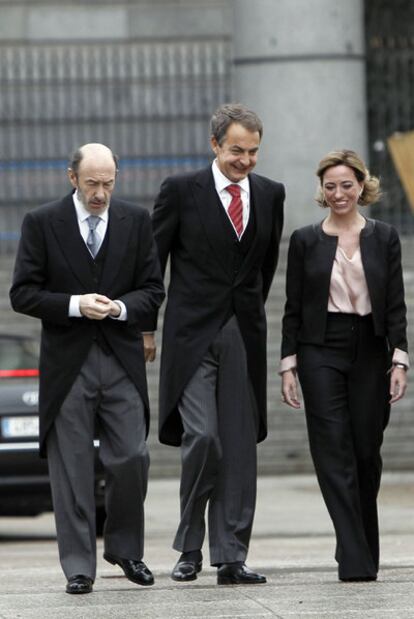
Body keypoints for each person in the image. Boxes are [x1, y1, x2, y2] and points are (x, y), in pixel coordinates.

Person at [9, 143, 165, 594]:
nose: (101, 193)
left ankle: (124, 548)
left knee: (132, 457)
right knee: (71, 469)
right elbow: (23, 293)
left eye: (109, 183)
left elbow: (153, 290)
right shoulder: (42, 222)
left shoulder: (136, 221)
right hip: (68, 365)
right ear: (72, 177)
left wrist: (119, 308)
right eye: (92, 183)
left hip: (121, 358)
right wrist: (76, 305)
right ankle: (79, 566)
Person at [144, 103, 285, 584]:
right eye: (236, 150)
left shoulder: (270, 194)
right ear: (214, 145)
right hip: (190, 335)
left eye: (253, 152)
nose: (245, 160)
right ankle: (189, 546)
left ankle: (232, 554)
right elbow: (152, 265)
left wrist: (247, 314)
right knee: (202, 437)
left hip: (242, 332)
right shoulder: (180, 191)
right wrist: (146, 326)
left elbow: (263, 268)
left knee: (240, 448)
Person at [280, 149, 409, 582]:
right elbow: (293, 308)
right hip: (321, 349)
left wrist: (400, 358)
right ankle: (355, 559)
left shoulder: (384, 236)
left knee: (365, 452)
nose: (338, 193)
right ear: (323, 190)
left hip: (371, 350)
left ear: (362, 185)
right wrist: (288, 365)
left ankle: (358, 543)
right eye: (330, 186)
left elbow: (395, 305)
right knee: (332, 449)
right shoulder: (304, 240)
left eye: (346, 185)